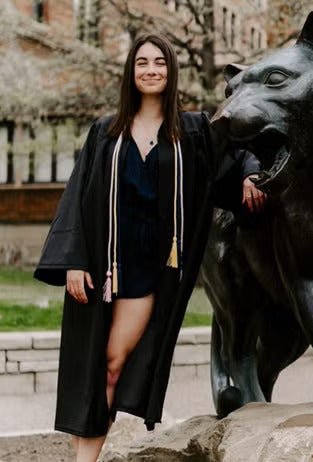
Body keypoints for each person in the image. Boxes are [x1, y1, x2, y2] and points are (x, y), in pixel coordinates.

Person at [34, 34, 265, 462]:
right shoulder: (106, 132)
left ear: (171, 70)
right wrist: (72, 262)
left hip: (146, 270)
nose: (151, 69)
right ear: (131, 72)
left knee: (112, 363)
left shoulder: (192, 131)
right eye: (142, 62)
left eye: (159, 62)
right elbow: (77, 198)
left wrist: (250, 177)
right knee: (92, 370)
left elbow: (237, 152)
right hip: (101, 267)